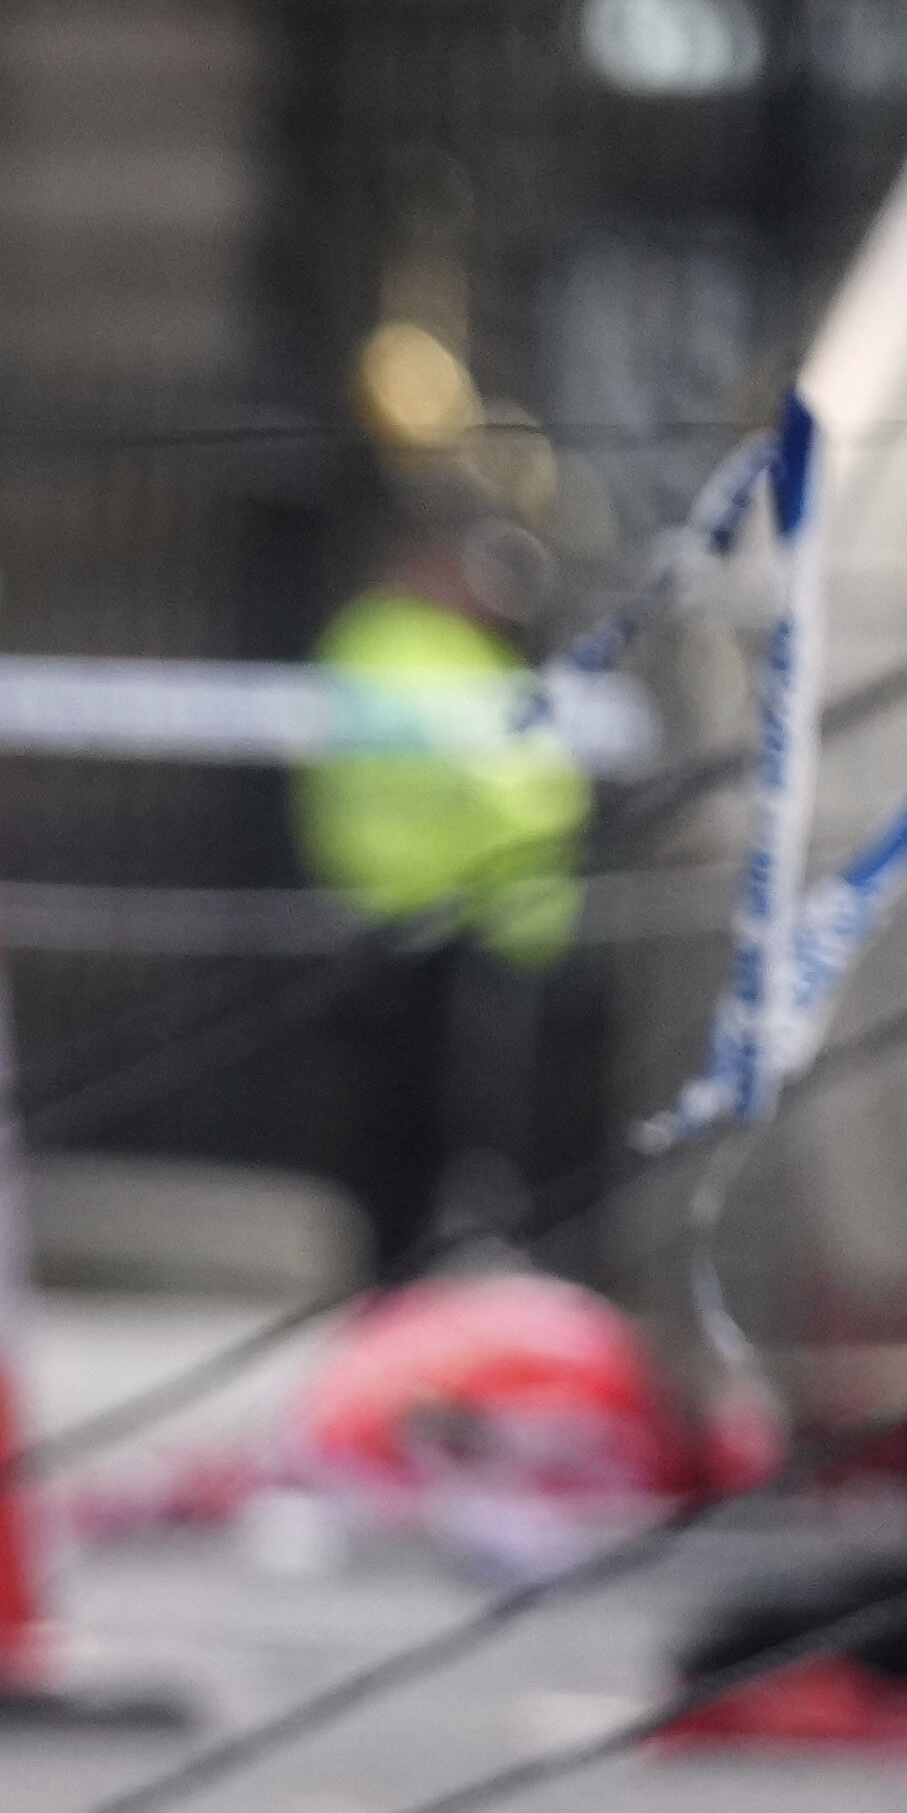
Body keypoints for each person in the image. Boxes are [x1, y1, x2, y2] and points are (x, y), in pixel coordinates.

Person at [296, 507, 594, 1271]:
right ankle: (401, 1272)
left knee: (460, 1118)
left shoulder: (456, 653)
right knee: (412, 1119)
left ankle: (428, 1265)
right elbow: (508, 778)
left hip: (478, 922)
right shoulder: (393, 646)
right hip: (418, 919)